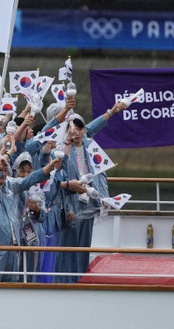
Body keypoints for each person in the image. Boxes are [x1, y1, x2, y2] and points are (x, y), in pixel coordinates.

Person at [55, 101, 128, 283]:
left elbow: (100, 174)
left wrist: (104, 197)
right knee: (66, 248)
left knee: (83, 248)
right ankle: (63, 283)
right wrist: (66, 207)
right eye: (73, 128)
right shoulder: (61, 150)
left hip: (87, 205)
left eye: (80, 128)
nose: (76, 132)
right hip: (69, 207)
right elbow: (58, 180)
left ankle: (80, 281)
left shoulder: (90, 145)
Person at [0, 149, 62, 282]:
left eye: (4, 171)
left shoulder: (11, 184)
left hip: (14, 246)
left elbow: (32, 179)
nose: (3, 174)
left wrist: (50, 167)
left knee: (14, 288)